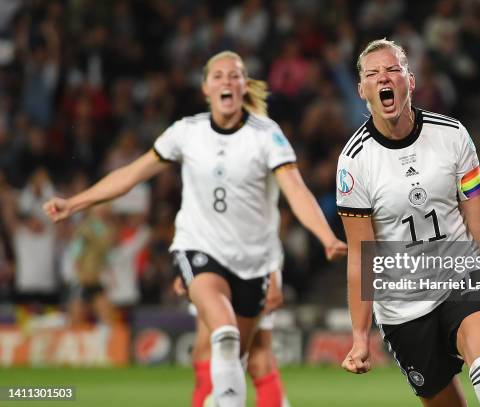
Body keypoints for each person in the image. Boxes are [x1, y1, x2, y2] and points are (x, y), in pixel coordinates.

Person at [44, 50, 347, 407]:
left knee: (236, 356)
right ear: (205, 87)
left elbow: (295, 190)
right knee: (224, 333)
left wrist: (326, 236)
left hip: (252, 261)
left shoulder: (266, 136)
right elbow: (131, 175)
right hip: (198, 248)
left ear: (244, 85)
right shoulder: (186, 133)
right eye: (218, 76)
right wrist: (74, 202)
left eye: (235, 76)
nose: (227, 82)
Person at [336, 39, 480, 407]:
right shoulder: (354, 163)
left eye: (392, 70)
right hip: (402, 306)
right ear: (362, 90)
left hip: (461, 276)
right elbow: (361, 256)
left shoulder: (452, 136)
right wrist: (360, 336)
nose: (383, 78)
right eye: (372, 73)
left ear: (410, 80)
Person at [175, 270, 290, 407]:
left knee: (212, 352)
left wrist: (272, 275)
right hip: (226, 263)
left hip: (248, 266)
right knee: (256, 356)